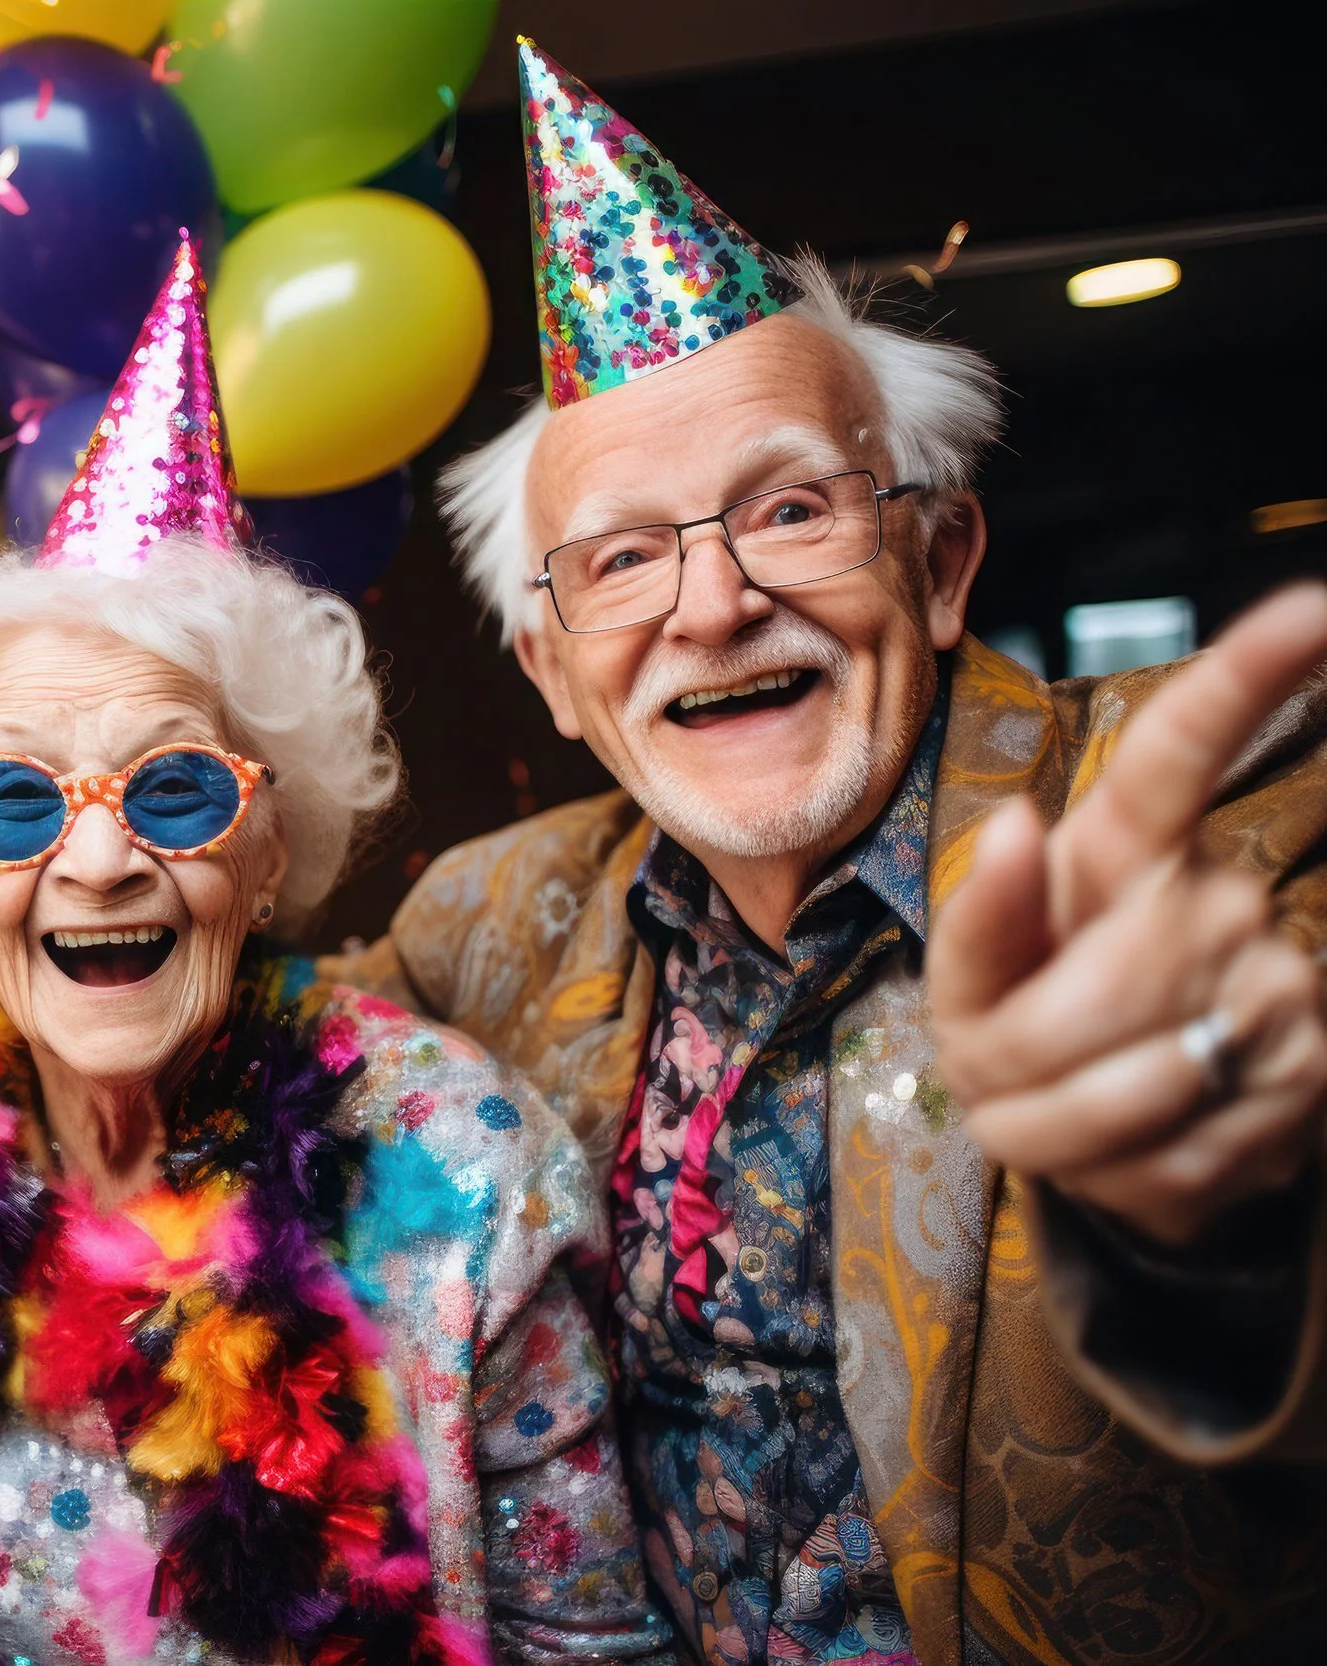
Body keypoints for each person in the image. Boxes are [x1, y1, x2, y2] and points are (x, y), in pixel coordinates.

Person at [331, 40, 1327, 1666]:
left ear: (937, 565)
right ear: (558, 674)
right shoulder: (491, 921)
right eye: (627, 559)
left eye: (791, 510)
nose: (713, 604)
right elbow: (226, 1082)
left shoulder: (1220, 811)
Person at [0, 240, 675, 1666]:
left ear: (268, 855)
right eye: (18, 801)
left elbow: (590, 1647)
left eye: (177, 789)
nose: (97, 861)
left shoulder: (466, 1171)